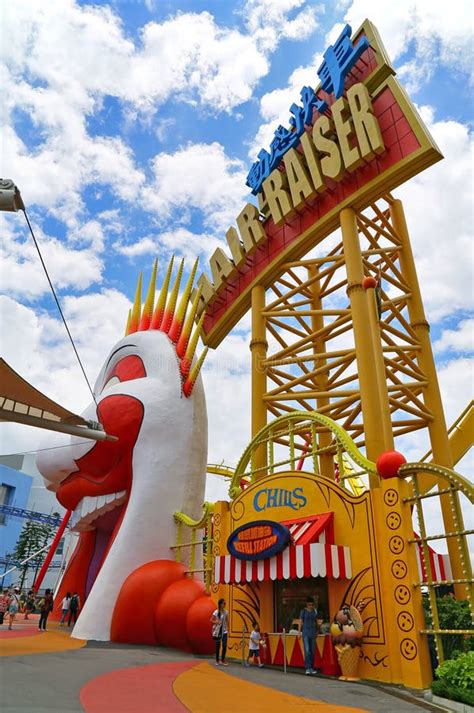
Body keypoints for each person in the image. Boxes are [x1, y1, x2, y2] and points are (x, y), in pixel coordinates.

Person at [298, 596, 319, 675]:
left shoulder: (315, 611)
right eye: (309, 604)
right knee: (307, 650)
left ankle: (311, 667)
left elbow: (316, 621)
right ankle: (307, 668)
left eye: (312, 604)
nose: (311, 606)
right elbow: (300, 621)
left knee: (312, 651)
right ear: (307, 604)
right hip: (305, 632)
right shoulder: (303, 611)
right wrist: (299, 632)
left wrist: (317, 631)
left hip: (313, 632)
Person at [210, 598, 229, 666]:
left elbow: (227, 621)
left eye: (225, 603)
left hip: (224, 631)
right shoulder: (216, 612)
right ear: (220, 604)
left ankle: (223, 659)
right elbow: (211, 620)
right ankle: (217, 660)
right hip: (218, 631)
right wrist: (217, 622)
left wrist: (227, 629)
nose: (224, 605)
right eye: (224, 603)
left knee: (224, 645)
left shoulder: (226, 612)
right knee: (218, 646)